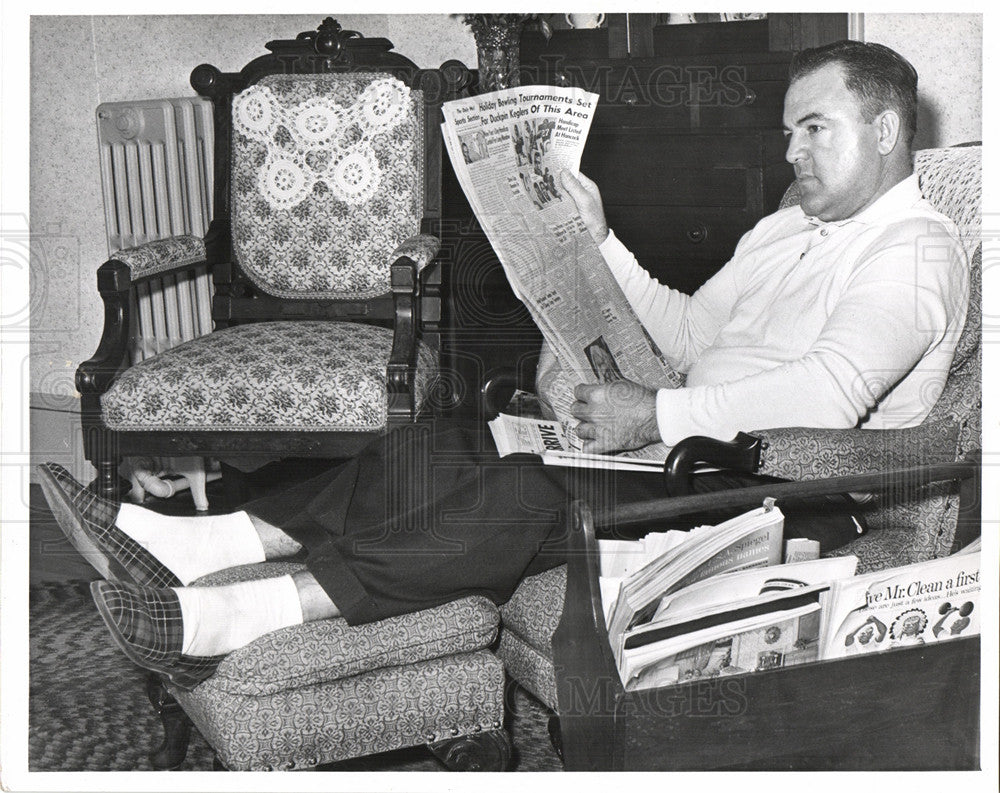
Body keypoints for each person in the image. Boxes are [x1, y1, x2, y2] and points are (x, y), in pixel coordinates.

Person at [41, 40, 968, 690]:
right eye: (788, 132)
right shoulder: (786, 227)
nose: (791, 149)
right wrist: (597, 244)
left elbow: (829, 396)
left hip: (781, 489)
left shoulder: (914, 251)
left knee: (527, 489)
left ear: (887, 132)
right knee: (453, 437)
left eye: (815, 129)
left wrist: (655, 416)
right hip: (695, 449)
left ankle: (238, 618)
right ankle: (208, 543)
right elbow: (688, 334)